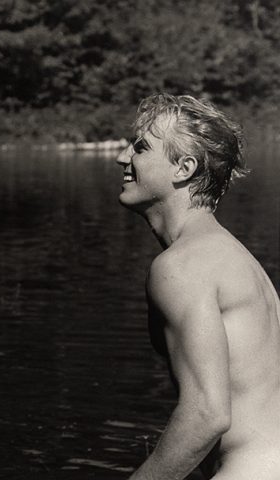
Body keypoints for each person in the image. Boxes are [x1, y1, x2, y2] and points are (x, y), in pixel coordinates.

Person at [117, 93, 280, 479]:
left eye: (140, 148)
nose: (123, 157)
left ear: (184, 167)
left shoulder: (182, 267)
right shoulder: (233, 257)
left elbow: (207, 414)